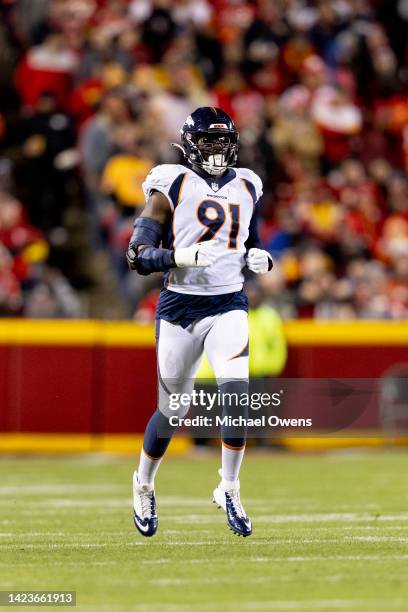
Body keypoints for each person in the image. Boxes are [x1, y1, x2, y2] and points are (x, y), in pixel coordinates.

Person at [126, 107, 273, 538]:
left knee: (236, 393)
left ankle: (229, 486)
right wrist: (180, 255)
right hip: (179, 307)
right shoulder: (170, 181)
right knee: (172, 410)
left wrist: (259, 257)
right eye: (206, 141)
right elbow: (136, 255)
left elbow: (252, 240)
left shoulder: (248, 183)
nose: (215, 150)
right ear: (189, 143)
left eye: (221, 142)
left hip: (228, 303)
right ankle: (143, 483)